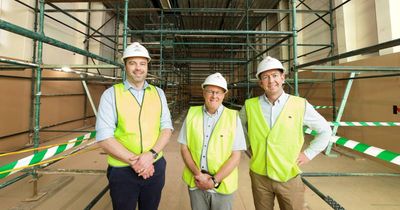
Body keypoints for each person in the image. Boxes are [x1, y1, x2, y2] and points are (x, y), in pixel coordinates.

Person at [239, 56, 332, 210]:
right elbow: (237, 126)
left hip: (288, 174)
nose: (271, 81)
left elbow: (325, 131)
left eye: (275, 75)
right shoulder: (250, 105)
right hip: (259, 175)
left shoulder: (299, 104)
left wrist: (308, 154)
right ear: (261, 83)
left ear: (282, 78)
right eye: (265, 77)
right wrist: (246, 143)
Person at [95, 42, 173, 210]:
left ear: (147, 66)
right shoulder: (111, 95)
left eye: (142, 63)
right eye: (132, 63)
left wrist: (150, 156)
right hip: (123, 170)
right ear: (125, 65)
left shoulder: (158, 93)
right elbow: (104, 137)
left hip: (155, 166)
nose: (138, 68)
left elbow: (166, 129)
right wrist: (137, 162)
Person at [178, 72, 247, 210]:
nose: (214, 96)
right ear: (204, 92)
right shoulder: (192, 113)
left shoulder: (233, 117)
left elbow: (236, 156)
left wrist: (214, 181)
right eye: (210, 91)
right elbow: (184, 148)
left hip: (223, 184)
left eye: (218, 92)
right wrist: (198, 175)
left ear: (224, 95)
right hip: (196, 181)